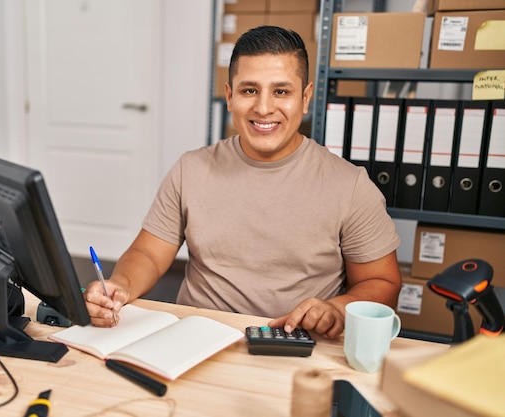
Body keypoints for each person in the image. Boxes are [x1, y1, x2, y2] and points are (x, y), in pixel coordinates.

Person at [84, 25, 401, 339]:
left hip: (293, 345)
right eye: (250, 90)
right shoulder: (191, 169)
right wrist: (121, 285)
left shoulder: (351, 186)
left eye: (281, 91)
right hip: (196, 339)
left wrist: (338, 307)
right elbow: (149, 254)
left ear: (305, 99)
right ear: (230, 96)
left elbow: (383, 283)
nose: (264, 108)